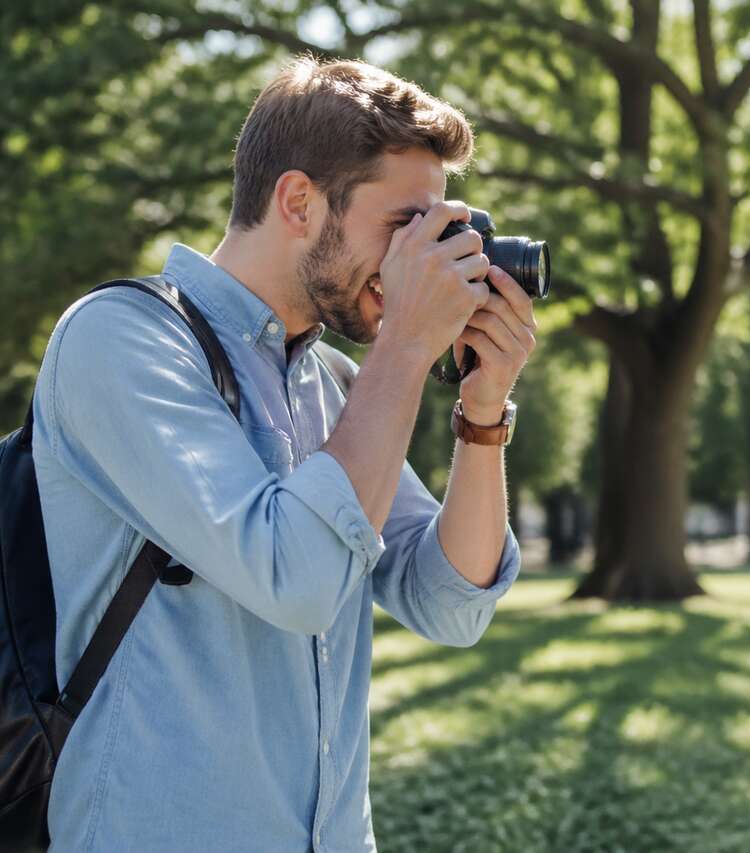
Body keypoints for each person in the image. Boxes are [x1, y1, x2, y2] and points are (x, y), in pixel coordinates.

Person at [31, 57, 535, 851]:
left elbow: (449, 601)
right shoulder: (118, 341)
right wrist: (405, 344)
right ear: (298, 201)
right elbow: (294, 576)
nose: (427, 259)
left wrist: (481, 415)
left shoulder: (333, 384)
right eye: (408, 226)